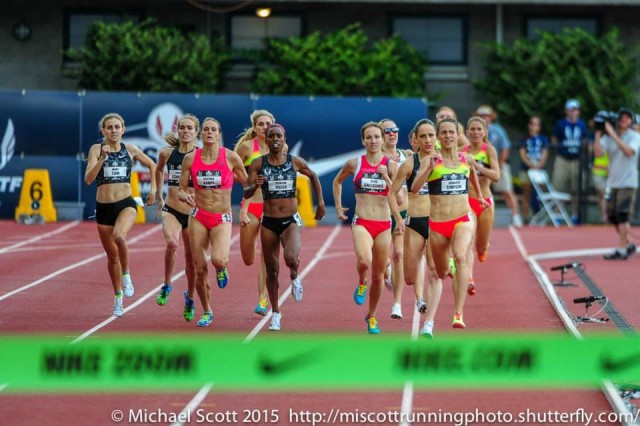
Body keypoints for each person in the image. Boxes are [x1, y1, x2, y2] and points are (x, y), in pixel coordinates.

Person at [243, 124, 325, 331]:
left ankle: (295, 276)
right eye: (271, 136)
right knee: (271, 271)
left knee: (290, 258)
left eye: (279, 135)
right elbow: (246, 192)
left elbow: (314, 176)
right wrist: (256, 185)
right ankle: (276, 313)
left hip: (290, 220)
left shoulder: (294, 162)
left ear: (284, 139)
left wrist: (321, 203)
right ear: (267, 140)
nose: (275, 139)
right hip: (269, 222)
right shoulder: (258, 164)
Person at [410, 117, 487, 329]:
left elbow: (472, 175)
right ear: (438, 137)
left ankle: (458, 313)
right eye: (443, 133)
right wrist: (428, 170)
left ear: (457, 134)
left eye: (451, 132)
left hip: (462, 219)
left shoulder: (467, 159)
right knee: (442, 272)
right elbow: (415, 189)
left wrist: (479, 197)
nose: (447, 136)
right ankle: (451, 266)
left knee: (462, 255)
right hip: (437, 225)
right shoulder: (431, 160)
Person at [84, 112, 157, 317]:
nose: (114, 130)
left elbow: (152, 165)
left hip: (126, 203)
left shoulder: (130, 149)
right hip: (104, 207)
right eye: (110, 127)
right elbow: (88, 179)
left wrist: (152, 191)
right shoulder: (96, 150)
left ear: (123, 129)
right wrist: (102, 159)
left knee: (119, 236)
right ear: (103, 130)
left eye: (117, 127)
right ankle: (118, 297)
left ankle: (126, 275)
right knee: (111, 257)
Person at [178, 117, 247, 327]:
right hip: (198, 216)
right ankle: (207, 311)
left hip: (221, 218)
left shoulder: (231, 157)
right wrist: (184, 196)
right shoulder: (190, 159)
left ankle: (221, 268)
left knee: (218, 259)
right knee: (199, 268)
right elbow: (181, 188)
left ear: (219, 134)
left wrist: (244, 210)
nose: (209, 132)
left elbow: (249, 186)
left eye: (213, 130)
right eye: (206, 129)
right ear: (201, 134)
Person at [333, 122, 397, 334]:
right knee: (364, 260)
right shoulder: (355, 164)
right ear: (363, 141)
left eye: (377, 137)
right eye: (368, 137)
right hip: (362, 221)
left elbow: (400, 196)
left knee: (379, 277)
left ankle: (371, 316)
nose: (373, 141)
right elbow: (337, 181)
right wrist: (339, 206)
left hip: (384, 224)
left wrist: (386, 177)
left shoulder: (391, 164)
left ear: (383, 139)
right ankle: (361, 281)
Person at [389, 118, 443, 337]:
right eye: (423, 136)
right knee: (410, 277)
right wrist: (399, 219)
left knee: (435, 273)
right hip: (415, 222)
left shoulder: (445, 162)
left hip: (438, 223)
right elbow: (392, 193)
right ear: (416, 140)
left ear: (436, 137)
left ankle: (429, 323)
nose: (428, 140)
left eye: (431, 135)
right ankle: (414, 281)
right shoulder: (410, 164)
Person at [154, 114, 198, 320]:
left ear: (196, 132)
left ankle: (189, 298)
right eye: (182, 128)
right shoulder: (166, 153)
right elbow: (158, 170)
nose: (186, 131)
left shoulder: (201, 156)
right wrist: (158, 195)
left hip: (193, 214)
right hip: (171, 208)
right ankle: (167, 283)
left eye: (190, 128)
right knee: (172, 244)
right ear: (178, 130)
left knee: (191, 260)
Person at [235, 110, 276, 316]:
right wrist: (247, 179)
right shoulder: (246, 147)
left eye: (268, 123)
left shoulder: (281, 147)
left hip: (271, 207)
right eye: (260, 124)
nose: (265, 127)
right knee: (248, 257)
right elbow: (231, 170)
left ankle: (262, 299)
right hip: (251, 205)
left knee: (266, 256)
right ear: (255, 127)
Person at [593, 108, 640, 260]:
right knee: (613, 216)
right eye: (622, 117)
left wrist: (612, 134)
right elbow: (598, 153)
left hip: (628, 181)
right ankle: (626, 244)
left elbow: (628, 152)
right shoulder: (609, 137)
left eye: (628, 118)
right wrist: (598, 134)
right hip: (613, 182)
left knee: (622, 214)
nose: (624, 120)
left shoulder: (634, 136)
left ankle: (622, 249)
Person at [463, 116, 500, 296]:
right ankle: (469, 278)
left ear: (484, 132)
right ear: (467, 132)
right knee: (468, 241)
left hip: (485, 202)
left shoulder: (489, 150)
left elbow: (496, 175)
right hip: (467, 202)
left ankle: (483, 249)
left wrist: (476, 165)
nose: (476, 132)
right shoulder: (462, 151)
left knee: (481, 245)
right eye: (473, 129)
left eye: (479, 129)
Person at [379, 118, 413, 319]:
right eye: (388, 131)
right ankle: (386, 270)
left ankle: (397, 304)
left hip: (402, 211)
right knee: (382, 260)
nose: (392, 134)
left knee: (399, 254)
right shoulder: (376, 159)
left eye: (395, 130)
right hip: (382, 213)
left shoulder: (406, 155)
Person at [476, 105, 523, 227]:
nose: (484, 118)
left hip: (499, 164)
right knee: (477, 191)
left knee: (507, 190)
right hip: (481, 166)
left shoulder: (498, 130)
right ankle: (477, 216)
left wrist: (499, 165)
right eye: (481, 116)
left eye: (486, 115)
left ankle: (516, 216)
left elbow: (505, 148)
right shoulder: (475, 130)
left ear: (491, 117)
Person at [551, 99, 589, 222]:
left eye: (575, 110)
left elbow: (585, 140)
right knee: (558, 186)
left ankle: (575, 214)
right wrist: (560, 149)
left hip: (577, 159)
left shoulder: (582, 125)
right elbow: (554, 138)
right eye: (571, 110)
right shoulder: (560, 124)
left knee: (576, 189)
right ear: (567, 111)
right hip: (563, 158)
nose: (573, 112)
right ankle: (557, 214)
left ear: (578, 111)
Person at [518, 115, 549, 222]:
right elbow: (522, 153)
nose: (534, 126)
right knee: (526, 193)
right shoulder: (524, 138)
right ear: (529, 125)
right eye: (532, 124)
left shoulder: (543, 139)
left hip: (539, 170)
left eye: (536, 124)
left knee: (540, 194)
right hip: (526, 170)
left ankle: (539, 216)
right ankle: (525, 217)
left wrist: (540, 164)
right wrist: (531, 165)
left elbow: (545, 153)